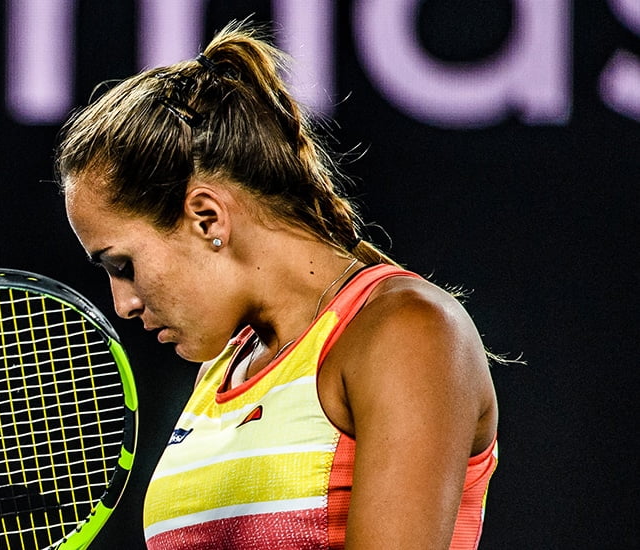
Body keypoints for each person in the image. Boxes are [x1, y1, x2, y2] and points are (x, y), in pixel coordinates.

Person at [57, 21, 498, 550]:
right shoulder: (219, 370)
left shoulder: (409, 332)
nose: (123, 303)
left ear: (206, 218)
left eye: (123, 263)